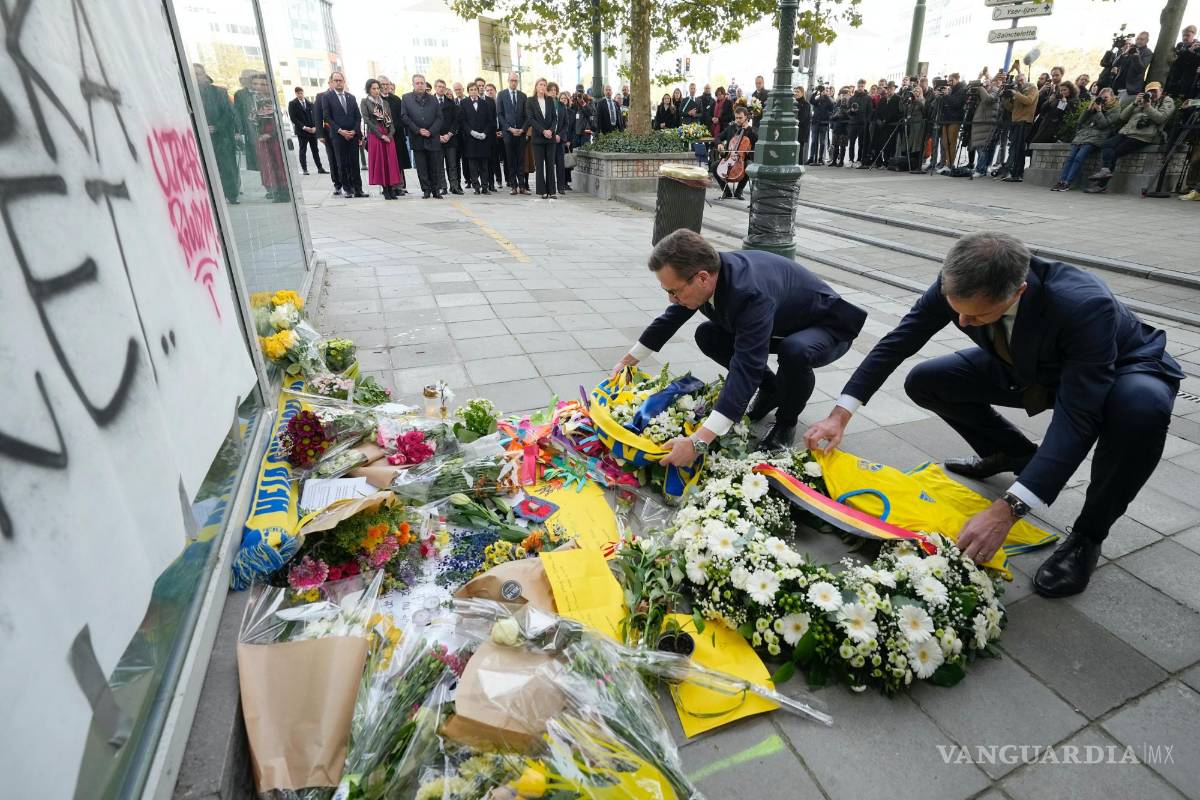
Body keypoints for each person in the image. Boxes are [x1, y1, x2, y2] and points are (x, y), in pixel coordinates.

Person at [802, 232, 1182, 598]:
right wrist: (840, 414)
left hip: (1120, 368)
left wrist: (1009, 510)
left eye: (976, 316)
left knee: (1139, 411)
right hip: (1027, 362)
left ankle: (1088, 536)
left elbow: (1077, 419)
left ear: (1018, 292)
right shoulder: (959, 281)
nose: (962, 324)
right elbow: (899, 341)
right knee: (927, 381)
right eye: (957, 311)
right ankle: (1014, 455)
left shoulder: (1082, 303)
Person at [614, 229, 867, 455]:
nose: (671, 299)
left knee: (795, 351)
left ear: (702, 278)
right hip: (779, 324)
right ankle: (773, 390)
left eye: (674, 291)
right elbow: (670, 319)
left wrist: (698, 441)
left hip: (826, 326)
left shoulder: (749, 292)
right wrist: (626, 363)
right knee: (708, 334)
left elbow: (746, 366)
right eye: (666, 291)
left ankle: (786, 423)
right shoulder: (707, 270)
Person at [1086, 82, 1175, 193]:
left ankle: (1101, 184)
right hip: (1127, 132)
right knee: (1106, 145)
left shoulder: (1166, 101)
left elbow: (1161, 118)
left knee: (1116, 152)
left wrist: (1148, 106)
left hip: (1144, 135)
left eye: (1154, 91)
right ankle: (1105, 170)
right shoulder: (1140, 101)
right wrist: (1134, 103)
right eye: (1149, 92)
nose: (1152, 94)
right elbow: (1123, 117)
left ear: (1161, 91)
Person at [1051, 88, 1120, 191]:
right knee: (1070, 158)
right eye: (1102, 97)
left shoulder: (1115, 109)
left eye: (1106, 97)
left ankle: (1067, 182)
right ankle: (1061, 180)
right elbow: (1080, 121)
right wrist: (1088, 109)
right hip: (1083, 135)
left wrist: (1099, 111)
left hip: (1097, 137)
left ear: (1112, 98)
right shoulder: (1095, 106)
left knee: (1079, 158)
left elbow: (1104, 125)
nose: (1104, 100)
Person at [192, 64, 240, 204]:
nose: (196, 77)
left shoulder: (219, 92)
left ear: (205, 76)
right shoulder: (187, 92)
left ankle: (232, 195)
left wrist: (216, 127)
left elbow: (229, 114)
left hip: (221, 137)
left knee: (227, 167)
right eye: (193, 74)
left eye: (199, 74)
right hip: (199, 137)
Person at [320, 71, 366, 197]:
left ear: (344, 82)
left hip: (352, 135)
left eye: (341, 80)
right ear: (332, 82)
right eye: (336, 80)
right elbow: (327, 116)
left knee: (354, 163)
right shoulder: (327, 97)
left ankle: (358, 189)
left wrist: (355, 131)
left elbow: (358, 116)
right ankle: (347, 189)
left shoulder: (351, 97)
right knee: (342, 163)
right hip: (338, 135)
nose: (339, 82)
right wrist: (340, 130)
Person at [400, 74, 445, 199]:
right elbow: (404, 116)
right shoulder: (406, 98)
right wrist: (418, 130)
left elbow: (439, 117)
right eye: (417, 83)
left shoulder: (433, 99)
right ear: (413, 84)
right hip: (417, 137)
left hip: (432, 137)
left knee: (434, 165)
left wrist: (430, 131)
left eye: (422, 83)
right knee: (421, 166)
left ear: (425, 84)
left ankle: (436, 190)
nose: (420, 85)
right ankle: (426, 190)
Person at [359, 79, 403, 199]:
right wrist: (381, 135)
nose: (376, 90)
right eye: (374, 88)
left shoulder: (385, 103)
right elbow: (367, 120)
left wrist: (390, 134)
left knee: (390, 162)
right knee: (381, 162)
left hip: (388, 135)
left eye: (378, 88)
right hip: (375, 135)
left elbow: (390, 121)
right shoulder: (365, 102)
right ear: (368, 89)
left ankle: (391, 188)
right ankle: (385, 190)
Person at [249, 74, 289, 202]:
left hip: (275, 138)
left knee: (279, 164)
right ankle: (274, 191)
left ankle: (284, 192)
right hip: (261, 138)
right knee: (267, 165)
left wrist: (270, 134)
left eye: (263, 84)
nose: (259, 87)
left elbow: (280, 123)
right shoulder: (251, 101)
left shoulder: (274, 101)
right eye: (255, 84)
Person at [713, 106, 757, 199]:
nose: (738, 120)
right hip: (730, 157)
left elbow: (756, 140)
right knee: (714, 166)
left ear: (746, 117)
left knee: (748, 166)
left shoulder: (751, 130)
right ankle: (726, 192)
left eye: (740, 118)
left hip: (744, 158)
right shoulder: (731, 128)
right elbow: (717, 137)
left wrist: (747, 129)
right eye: (736, 117)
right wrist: (719, 144)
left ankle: (739, 191)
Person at [1001, 73, 1037, 182]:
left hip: (1025, 121)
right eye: (1018, 80)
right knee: (1014, 148)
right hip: (1016, 121)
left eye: (1021, 80)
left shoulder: (1032, 88)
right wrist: (1005, 99)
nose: (1020, 82)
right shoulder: (1018, 91)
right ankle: (1013, 173)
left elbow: (1029, 101)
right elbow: (1012, 108)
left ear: (1025, 79)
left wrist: (1016, 93)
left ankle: (1018, 174)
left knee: (1019, 149)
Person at [497, 72, 530, 194]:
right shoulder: (501, 95)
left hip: (521, 133)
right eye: (512, 80)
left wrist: (523, 129)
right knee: (510, 160)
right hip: (508, 133)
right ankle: (513, 186)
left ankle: (522, 186)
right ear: (508, 81)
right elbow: (500, 115)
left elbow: (527, 116)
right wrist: (509, 128)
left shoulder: (523, 96)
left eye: (516, 80)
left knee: (520, 159)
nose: (514, 82)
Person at [527, 77, 559, 199]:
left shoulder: (550, 100)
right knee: (539, 166)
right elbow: (531, 119)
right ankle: (542, 191)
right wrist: (543, 131)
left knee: (550, 165)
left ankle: (552, 191)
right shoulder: (530, 101)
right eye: (540, 84)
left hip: (550, 138)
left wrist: (550, 130)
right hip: (538, 139)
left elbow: (555, 118)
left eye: (544, 85)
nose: (543, 87)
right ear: (536, 87)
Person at [460, 82, 495, 194]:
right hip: (470, 139)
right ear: (468, 91)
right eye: (471, 89)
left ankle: (485, 187)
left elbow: (490, 121)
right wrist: (471, 132)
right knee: (473, 165)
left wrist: (484, 133)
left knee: (484, 165)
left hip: (483, 139)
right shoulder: (463, 103)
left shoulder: (485, 103)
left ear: (479, 90)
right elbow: (463, 121)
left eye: (475, 89)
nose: (474, 91)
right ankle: (476, 187)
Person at [378, 77, 410, 196]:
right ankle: (387, 187)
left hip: (397, 135)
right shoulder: (375, 100)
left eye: (387, 84)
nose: (385, 86)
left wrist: (393, 128)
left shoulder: (396, 99)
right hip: (383, 136)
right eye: (382, 84)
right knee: (386, 162)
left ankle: (399, 186)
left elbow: (402, 116)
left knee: (398, 161)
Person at [969, 75, 1004, 177]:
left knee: (982, 147)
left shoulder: (995, 91)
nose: (985, 84)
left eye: (988, 82)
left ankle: (980, 170)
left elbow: (988, 100)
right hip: (983, 123)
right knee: (985, 147)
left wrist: (980, 89)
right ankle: (985, 166)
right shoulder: (988, 90)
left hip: (986, 124)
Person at [433, 79, 463, 195]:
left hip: (450, 139)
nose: (441, 89)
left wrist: (449, 134)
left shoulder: (451, 103)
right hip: (436, 138)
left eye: (443, 87)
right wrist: (438, 136)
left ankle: (454, 187)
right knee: (439, 165)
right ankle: (442, 187)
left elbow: (456, 121)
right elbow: (429, 121)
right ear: (435, 87)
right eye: (439, 86)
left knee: (452, 164)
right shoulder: (430, 102)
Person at [314, 76, 343, 196]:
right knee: (333, 159)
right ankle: (337, 184)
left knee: (343, 158)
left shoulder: (343, 95)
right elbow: (317, 116)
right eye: (334, 81)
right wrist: (320, 134)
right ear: (329, 82)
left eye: (339, 81)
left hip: (342, 132)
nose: (336, 83)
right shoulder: (321, 96)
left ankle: (346, 181)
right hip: (329, 132)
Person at [288, 87, 324, 175]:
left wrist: (315, 127)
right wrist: (304, 127)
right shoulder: (292, 104)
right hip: (302, 132)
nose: (300, 95)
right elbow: (293, 118)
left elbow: (316, 116)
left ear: (303, 93)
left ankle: (320, 168)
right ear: (296, 94)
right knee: (303, 150)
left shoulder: (310, 103)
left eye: (301, 93)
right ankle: (305, 169)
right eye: (298, 93)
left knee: (315, 150)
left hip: (312, 131)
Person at [1108, 31, 1154, 100]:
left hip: (1130, 89)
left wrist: (1136, 56)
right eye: (1137, 39)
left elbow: (1140, 69)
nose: (1138, 41)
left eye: (1141, 39)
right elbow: (1115, 64)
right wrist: (1124, 53)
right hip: (1117, 87)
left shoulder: (1147, 52)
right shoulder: (1130, 49)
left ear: (1147, 41)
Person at [937, 73, 967, 171]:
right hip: (946, 119)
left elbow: (956, 104)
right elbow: (945, 104)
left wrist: (946, 95)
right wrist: (941, 95)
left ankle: (950, 164)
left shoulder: (962, 89)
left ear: (957, 79)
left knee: (951, 142)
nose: (949, 83)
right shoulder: (951, 90)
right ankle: (946, 163)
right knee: (945, 142)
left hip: (955, 119)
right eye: (949, 80)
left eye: (951, 80)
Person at [233, 69, 259, 172]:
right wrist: (239, 132)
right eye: (247, 78)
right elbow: (237, 114)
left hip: (266, 129)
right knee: (256, 160)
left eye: (253, 77)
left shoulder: (264, 91)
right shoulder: (240, 94)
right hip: (251, 132)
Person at [1165, 24, 1200, 97]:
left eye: (1187, 35)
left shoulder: (1197, 47)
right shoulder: (1180, 45)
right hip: (1174, 79)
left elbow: (1193, 64)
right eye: (1183, 35)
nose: (1185, 38)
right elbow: (1177, 61)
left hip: (1187, 83)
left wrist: (1191, 51)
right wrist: (1189, 51)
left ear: (1194, 35)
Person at [485, 82, 504, 191]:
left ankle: (508, 179)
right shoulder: (485, 103)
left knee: (505, 157)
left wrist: (502, 131)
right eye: (487, 90)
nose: (489, 92)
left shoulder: (499, 102)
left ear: (495, 91)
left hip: (503, 131)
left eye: (491, 90)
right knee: (494, 158)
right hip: (492, 133)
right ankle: (498, 180)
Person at [808, 86, 833, 165]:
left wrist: (826, 95)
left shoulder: (829, 100)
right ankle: (811, 157)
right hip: (816, 123)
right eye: (823, 91)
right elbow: (811, 100)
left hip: (824, 123)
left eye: (826, 91)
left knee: (822, 142)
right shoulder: (817, 100)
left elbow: (831, 106)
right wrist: (816, 91)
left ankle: (820, 158)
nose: (823, 92)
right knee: (814, 141)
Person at [849, 80, 871, 165]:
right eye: (859, 86)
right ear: (857, 86)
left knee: (861, 143)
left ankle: (859, 159)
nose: (860, 88)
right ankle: (851, 160)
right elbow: (849, 111)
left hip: (863, 124)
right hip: (853, 123)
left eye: (862, 86)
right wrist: (851, 110)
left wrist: (867, 121)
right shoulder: (852, 98)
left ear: (864, 87)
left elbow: (869, 111)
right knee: (851, 142)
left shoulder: (868, 98)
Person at [794, 86, 811, 166]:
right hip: (795, 130)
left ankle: (799, 166)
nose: (796, 93)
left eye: (798, 91)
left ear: (802, 93)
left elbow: (803, 118)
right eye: (795, 91)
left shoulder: (806, 104)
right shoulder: (793, 103)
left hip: (801, 130)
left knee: (800, 149)